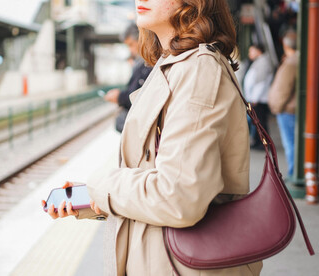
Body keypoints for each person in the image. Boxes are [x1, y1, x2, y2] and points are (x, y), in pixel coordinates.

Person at [43, 0, 263, 275]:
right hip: (162, 260)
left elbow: (179, 196)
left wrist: (102, 183)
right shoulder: (174, 66)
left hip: (179, 265)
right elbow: (157, 179)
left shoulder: (197, 70)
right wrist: (95, 199)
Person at [104, 23, 152, 133]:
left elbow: (141, 97)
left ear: (142, 38)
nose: (130, 50)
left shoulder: (149, 63)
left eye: (131, 44)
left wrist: (119, 97)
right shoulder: (140, 63)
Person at [268, 30, 298, 179]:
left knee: (290, 144)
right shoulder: (296, 60)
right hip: (291, 108)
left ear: (286, 45)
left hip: (287, 110)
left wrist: (276, 106)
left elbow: (283, 89)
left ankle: (293, 172)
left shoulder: (291, 63)